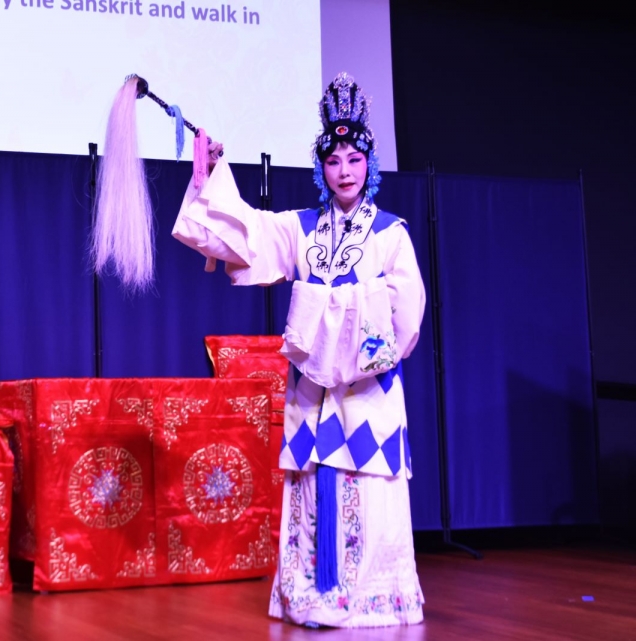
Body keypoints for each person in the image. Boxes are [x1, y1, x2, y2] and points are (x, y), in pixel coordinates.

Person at [172, 73, 426, 628]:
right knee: (311, 486)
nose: (344, 171)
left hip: (367, 390)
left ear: (369, 165)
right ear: (320, 167)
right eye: (333, 161)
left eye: (354, 160)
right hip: (312, 393)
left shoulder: (391, 234)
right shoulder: (301, 230)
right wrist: (212, 174)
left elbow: (406, 317)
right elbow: (246, 236)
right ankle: (309, 595)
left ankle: (369, 600)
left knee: (368, 487)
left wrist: (347, 331)